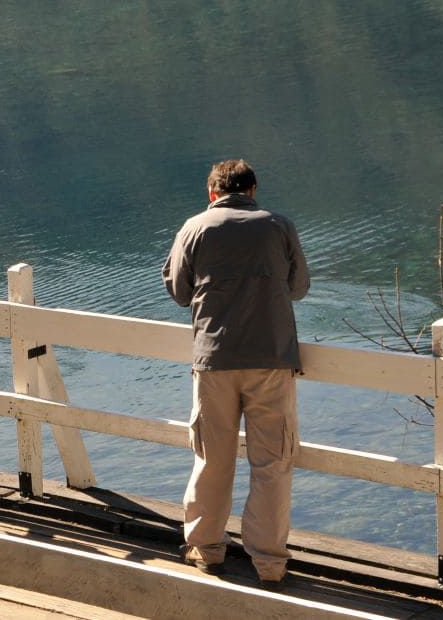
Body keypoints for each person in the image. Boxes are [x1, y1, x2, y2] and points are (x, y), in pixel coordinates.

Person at [162, 158, 310, 591]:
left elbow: (178, 290)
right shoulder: (279, 226)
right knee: (272, 463)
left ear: (212, 193)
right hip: (271, 359)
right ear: (253, 190)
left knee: (212, 459)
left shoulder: (194, 227)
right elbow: (299, 287)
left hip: (214, 360)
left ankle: (206, 548)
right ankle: (269, 562)